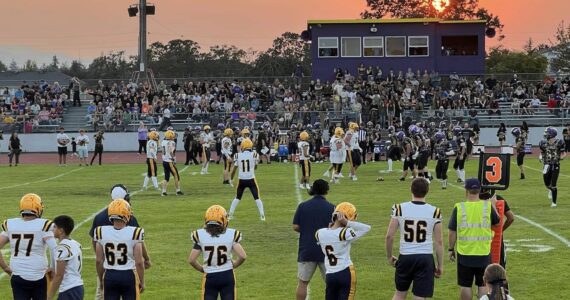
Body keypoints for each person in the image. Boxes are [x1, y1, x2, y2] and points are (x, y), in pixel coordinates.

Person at [89, 184, 150, 300]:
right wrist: (142, 281)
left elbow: (98, 259)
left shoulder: (101, 231)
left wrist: (101, 278)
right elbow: (139, 262)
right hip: (128, 275)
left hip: (109, 275)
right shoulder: (135, 232)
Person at [385, 178, 444, 300]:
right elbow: (439, 242)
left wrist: (389, 256)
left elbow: (389, 236)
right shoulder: (435, 212)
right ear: (427, 191)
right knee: (419, 297)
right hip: (425, 257)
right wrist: (440, 265)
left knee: (399, 293)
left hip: (406, 256)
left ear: (411, 190)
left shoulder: (399, 208)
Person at [448, 178, 500, 300]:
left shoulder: (459, 207)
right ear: (479, 190)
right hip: (483, 252)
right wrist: (493, 205)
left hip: (465, 253)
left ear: (466, 190)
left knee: (465, 285)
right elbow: (497, 222)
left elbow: (452, 231)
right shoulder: (487, 207)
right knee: (482, 284)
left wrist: (450, 248)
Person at [0, 193, 58, 300]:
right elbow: (54, 249)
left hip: (17, 275)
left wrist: (5, 267)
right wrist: (53, 268)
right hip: (39, 275)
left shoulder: (11, 224)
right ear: (38, 208)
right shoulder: (44, 225)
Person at [188, 205, 247, 300]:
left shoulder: (200, 235)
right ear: (223, 220)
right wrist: (235, 264)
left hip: (210, 276)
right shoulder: (231, 234)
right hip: (227, 275)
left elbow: (191, 260)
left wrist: (201, 269)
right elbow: (243, 256)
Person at [316, 202, 371, 300]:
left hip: (330, 275)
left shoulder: (320, 233)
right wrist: (347, 223)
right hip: (345, 272)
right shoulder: (345, 233)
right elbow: (366, 228)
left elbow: (331, 235)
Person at [292, 179, 335, 300]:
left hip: (307, 248)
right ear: (326, 191)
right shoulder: (332, 208)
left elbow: (295, 226)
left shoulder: (303, 206)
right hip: (327, 250)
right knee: (331, 284)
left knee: (303, 282)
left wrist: (307, 230)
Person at [47, 215, 84, 300]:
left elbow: (59, 275)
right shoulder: (75, 243)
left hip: (69, 289)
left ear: (61, 231)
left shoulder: (62, 248)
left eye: (55, 227)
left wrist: (49, 296)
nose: (52, 229)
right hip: (77, 286)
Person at [228, 138, 266, 221]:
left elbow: (234, 169)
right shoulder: (255, 154)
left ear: (243, 146)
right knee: (257, 198)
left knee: (237, 198)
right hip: (251, 179)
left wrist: (231, 179)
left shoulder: (237, 155)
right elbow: (255, 167)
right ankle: (262, 215)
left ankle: (230, 215)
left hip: (241, 180)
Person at [479, 190, 515, 269]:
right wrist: (500, 231)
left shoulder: (475, 200)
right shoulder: (498, 199)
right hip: (496, 240)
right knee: (499, 269)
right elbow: (511, 217)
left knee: (481, 272)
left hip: (479, 242)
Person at [539, 127, 566, 207]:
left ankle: (554, 202)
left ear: (552, 134)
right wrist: (540, 157)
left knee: (553, 184)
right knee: (547, 183)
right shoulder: (543, 143)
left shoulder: (559, 142)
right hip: (546, 165)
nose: (546, 134)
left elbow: (563, 153)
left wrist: (562, 157)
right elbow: (542, 153)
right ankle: (550, 190)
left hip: (555, 165)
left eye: (547, 133)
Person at [161, 130, 183, 196]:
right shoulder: (172, 143)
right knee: (176, 176)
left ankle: (163, 192)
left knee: (166, 177)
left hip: (164, 161)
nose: (174, 136)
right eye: (173, 135)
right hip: (169, 161)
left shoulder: (163, 142)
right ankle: (178, 191)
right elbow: (171, 152)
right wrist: (174, 159)